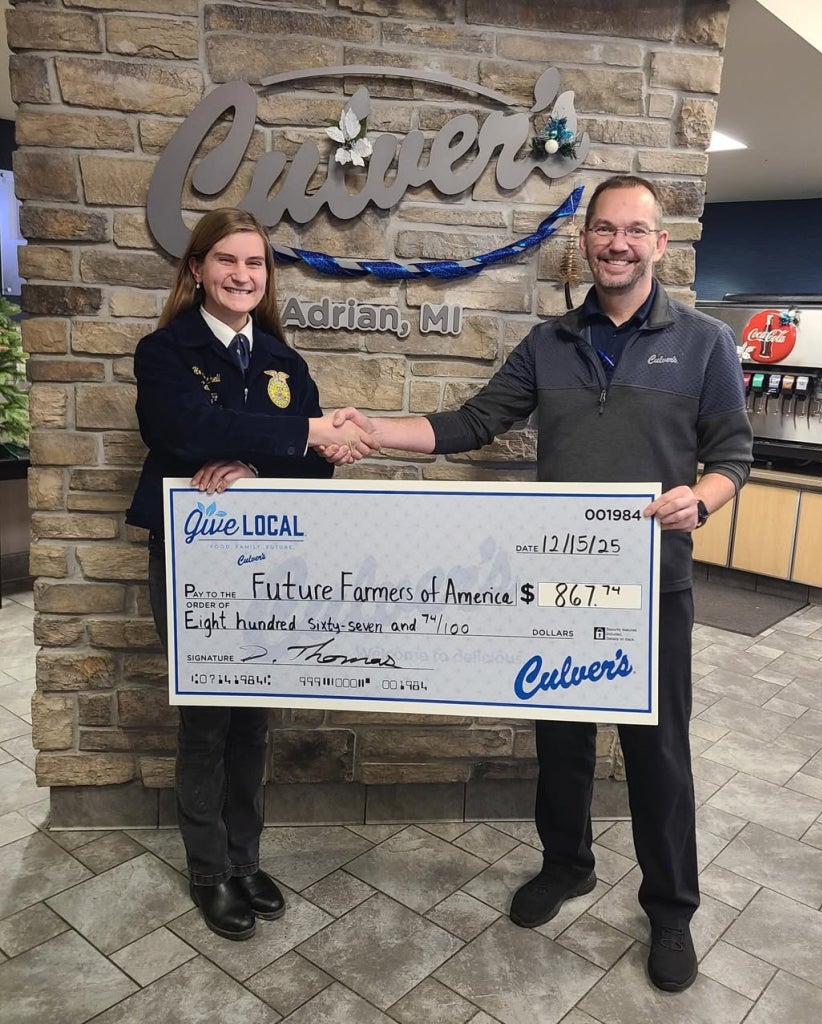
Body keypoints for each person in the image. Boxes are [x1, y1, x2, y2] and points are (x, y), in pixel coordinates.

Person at [324, 176, 753, 991]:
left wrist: (700, 498)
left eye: (635, 231)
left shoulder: (703, 344)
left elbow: (733, 455)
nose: (618, 244)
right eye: (604, 230)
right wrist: (376, 429)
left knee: (658, 754)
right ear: (585, 242)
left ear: (660, 244)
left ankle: (670, 910)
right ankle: (568, 865)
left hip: (653, 587)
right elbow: (472, 423)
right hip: (559, 587)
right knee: (560, 741)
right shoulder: (549, 343)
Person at [127, 207, 377, 941]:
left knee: (254, 722)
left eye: (256, 264)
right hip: (192, 559)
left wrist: (263, 462)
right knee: (206, 723)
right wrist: (300, 434)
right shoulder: (164, 353)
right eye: (228, 261)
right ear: (198, 269)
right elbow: (182, 430)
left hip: (271, 566)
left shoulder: (282, 361)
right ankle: (209, 870)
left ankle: (246, 857)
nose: (243, 275)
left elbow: (312, 470)